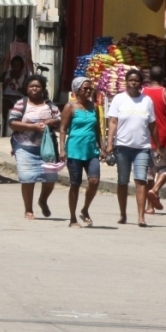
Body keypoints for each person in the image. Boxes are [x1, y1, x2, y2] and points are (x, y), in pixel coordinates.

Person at [104, 68, 156, 227]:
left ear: (141, 83)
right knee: (122, 182)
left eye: (137, 80)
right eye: (131, 80)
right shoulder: (119, 99)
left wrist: (157, 146)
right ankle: (123, 214)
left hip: (142, 147)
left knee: (141, 180)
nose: (133, 83)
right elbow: (113, 122)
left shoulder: (147, 100)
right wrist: (109, 143)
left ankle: (141, 216)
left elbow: (153, 125)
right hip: (122, 146)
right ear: (126, 82)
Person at [8, 74, 61, 220]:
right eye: (31, 86)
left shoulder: (50, 105)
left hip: (47, 149)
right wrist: (33, 127)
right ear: (26, 88)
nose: (34, 89)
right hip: (24, 147)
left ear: (43, 88)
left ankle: (43, 200)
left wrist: (51, 121)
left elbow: (61, 121)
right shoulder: (21, 104)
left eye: (37, 86)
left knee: (51, 178)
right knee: (27, 178)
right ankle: (28, 210)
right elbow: (12, 123)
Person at [59, 76, 101, 227]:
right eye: (85, 88)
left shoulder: (94, 107)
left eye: (90, 88)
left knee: (94, 181)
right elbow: (63, 129)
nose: (89, 91)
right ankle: (72, 218)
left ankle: (85, 209)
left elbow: (98, 129)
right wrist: (62, 149)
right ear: (76, 90)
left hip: (91, 150)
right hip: (75, 151)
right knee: (75, 184)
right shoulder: (70, 107)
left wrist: (102, 147)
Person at [143, 65, 166, 213]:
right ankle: (155, 190)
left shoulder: (142, 92)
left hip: (145, 136)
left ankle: (150, 207)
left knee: (151, 172)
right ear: (164, 77)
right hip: (163, 136)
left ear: (149, 77)